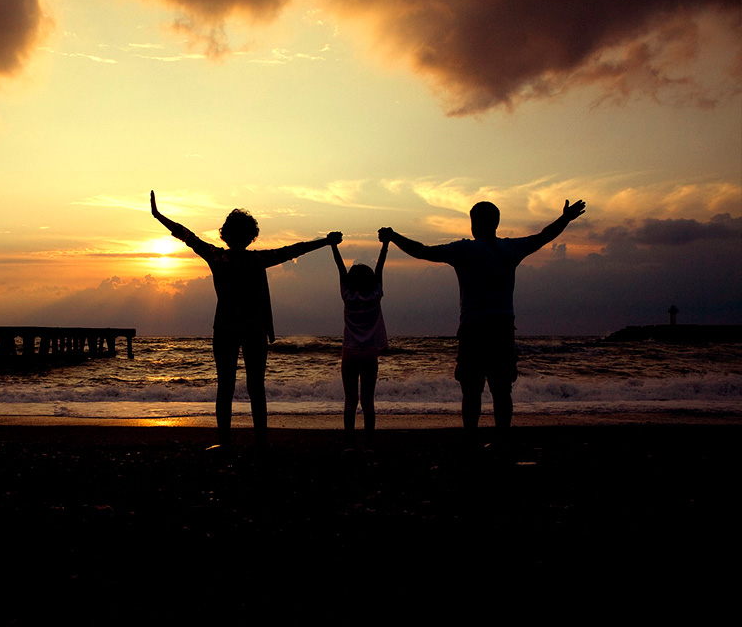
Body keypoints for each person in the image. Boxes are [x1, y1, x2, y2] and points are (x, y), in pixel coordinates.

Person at [150, 190, 342, 451]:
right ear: (251, 236)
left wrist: (159, 216)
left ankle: (226, 443)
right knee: (256, 387)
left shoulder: (218, 257)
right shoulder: (257, 259)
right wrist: (325, 241)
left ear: (226, 234)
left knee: (225, 387)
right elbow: (294, 250)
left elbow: (187, 236)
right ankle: (260, 443)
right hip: (253, 330)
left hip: (226, 329)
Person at [380, 199, 586, 436]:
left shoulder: (464, 250)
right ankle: (502, 439)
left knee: (471, 390)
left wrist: (394, 236)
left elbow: (423, 251)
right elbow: (543, 236)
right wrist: (565, 219)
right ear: (496, 223)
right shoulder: (510, 249)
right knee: (502, 390)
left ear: (474, 224)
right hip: (502, 328)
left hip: (474, 329)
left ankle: (471, 440)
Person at [331, 238, 389, 450]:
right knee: (368, 400)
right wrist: (385, 244)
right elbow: (380, 266)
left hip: (350, 352)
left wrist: (333, 245)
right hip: (369, 353)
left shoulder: (347, 296)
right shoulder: (375, 295)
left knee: (350, 400)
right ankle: (369, 444)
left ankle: (349, 443)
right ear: (372, 281)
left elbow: (340, 268)